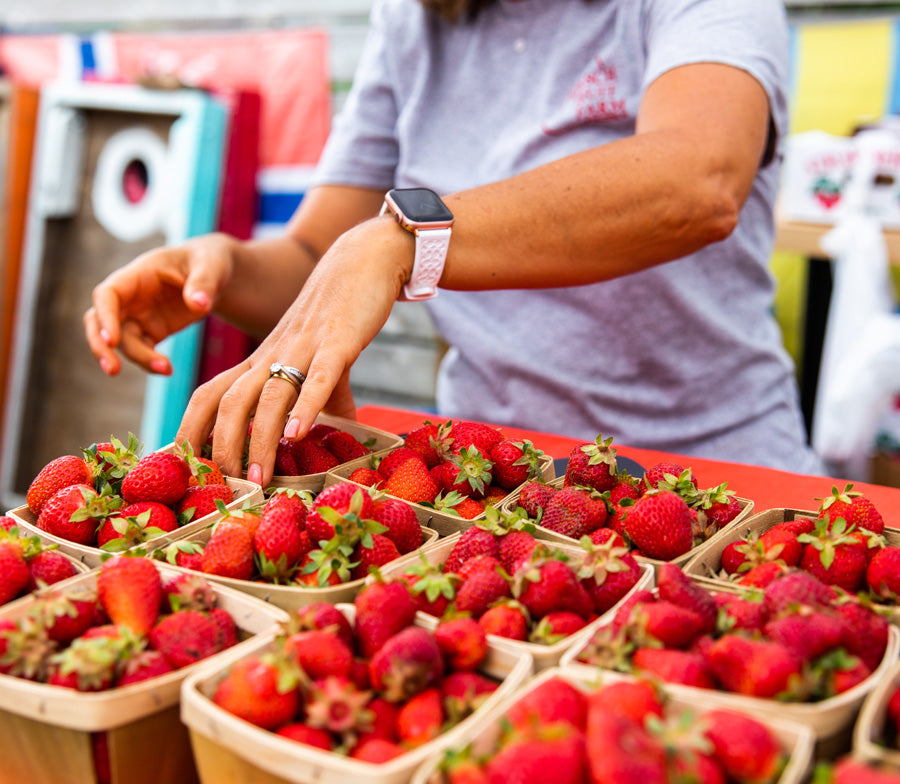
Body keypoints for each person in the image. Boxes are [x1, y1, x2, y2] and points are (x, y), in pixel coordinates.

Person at [84, 0, 825, 486]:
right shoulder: (412, 23)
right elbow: (319, 257)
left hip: (715, 476)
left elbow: (700, 179)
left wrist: (406, 239)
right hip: (481, 480)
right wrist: (220, 267)